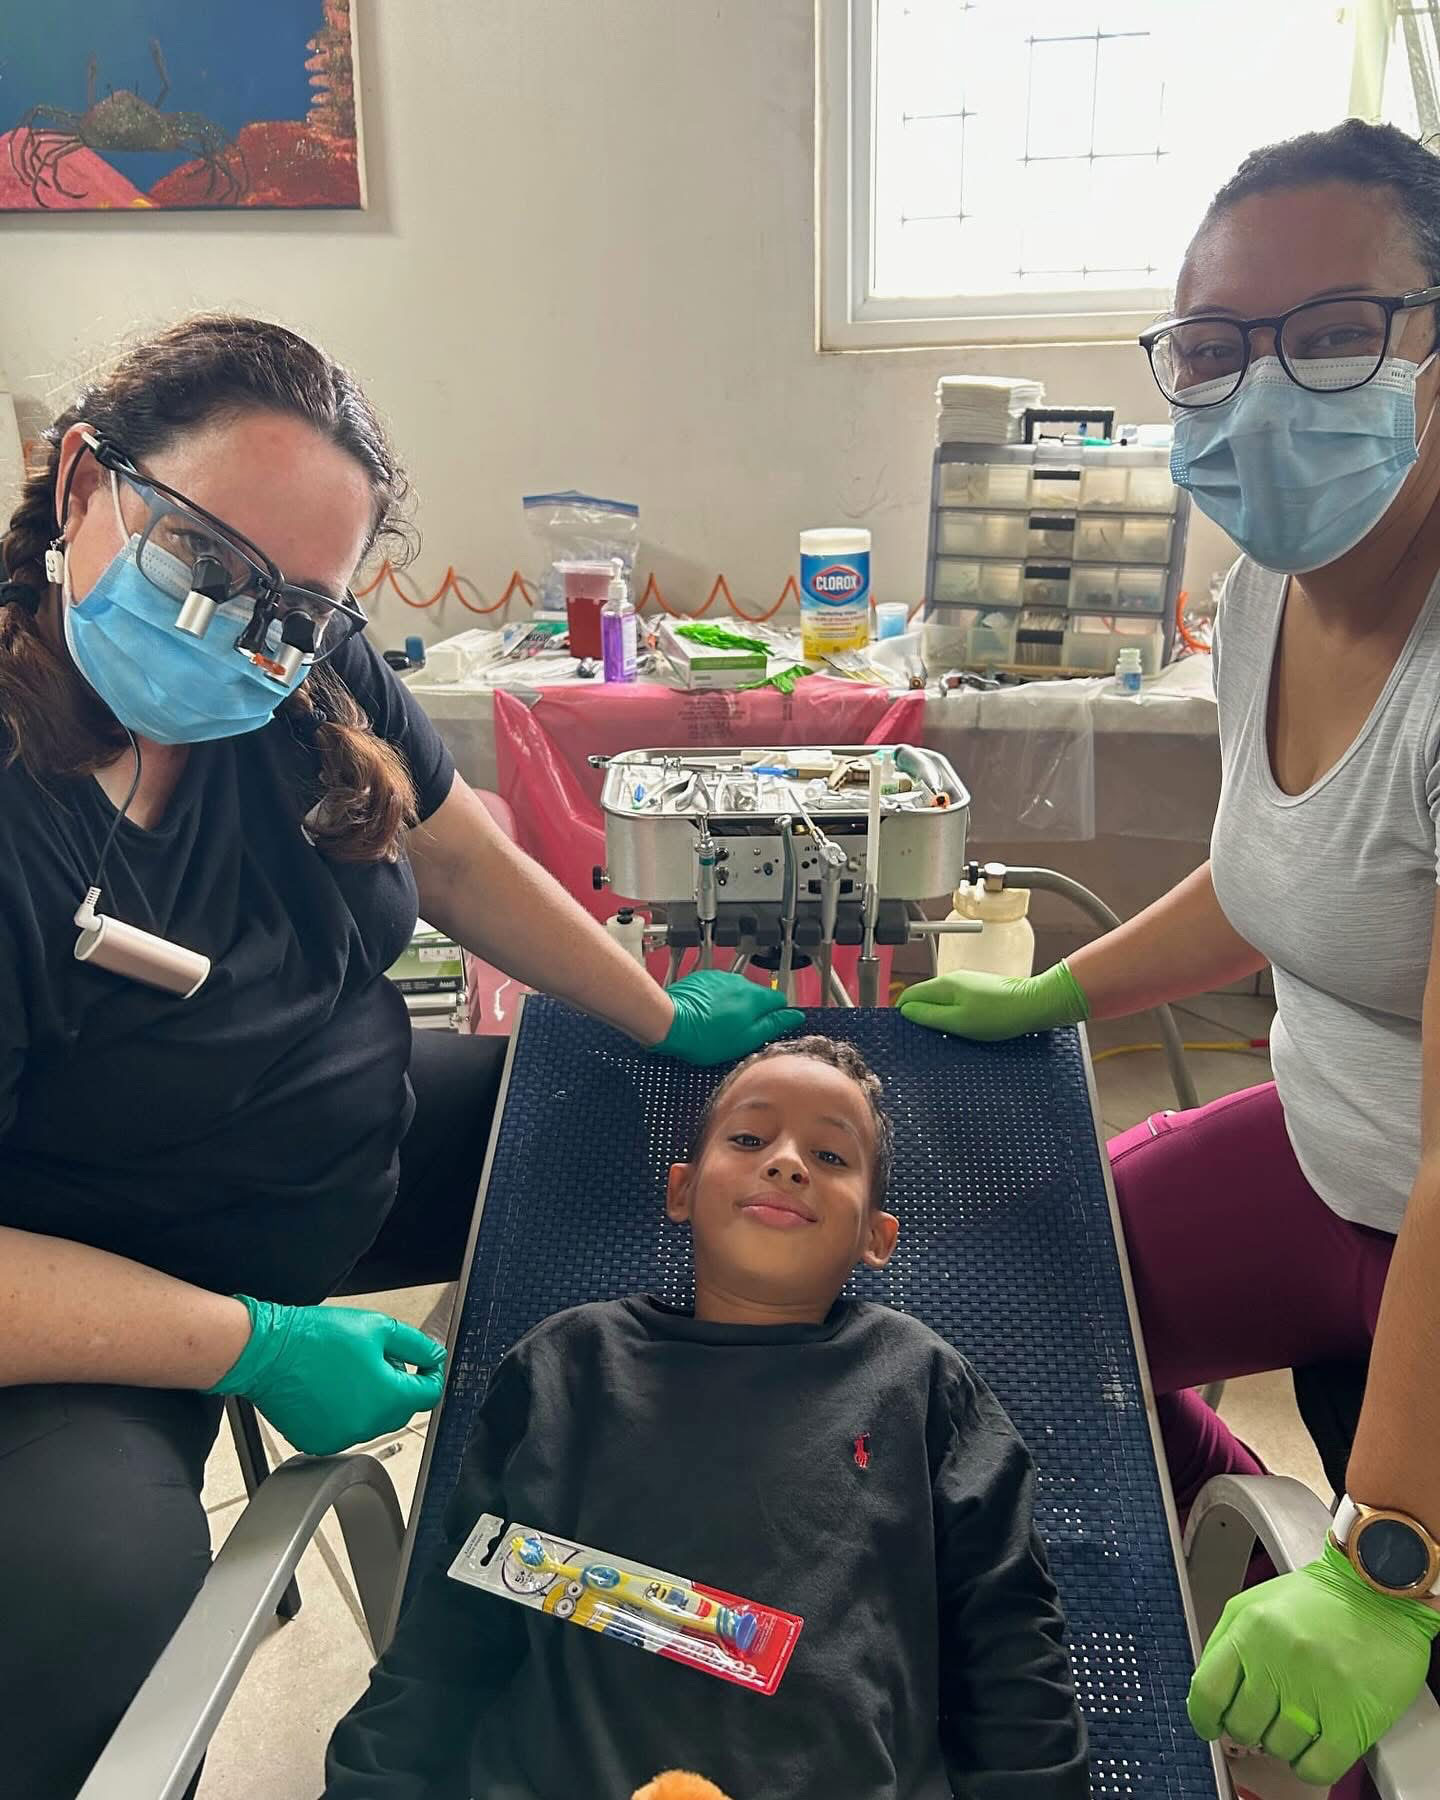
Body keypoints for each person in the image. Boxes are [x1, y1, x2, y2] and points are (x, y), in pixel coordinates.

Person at [0, 314, 802, 1800]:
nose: (242, 629)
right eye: (199, 559)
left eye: (299, 605)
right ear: (75, 484)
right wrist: (252, 1342)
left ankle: (658, 1586)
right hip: (92, 1290)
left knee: (691, 1144)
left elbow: (454, 860)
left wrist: (646, 1008)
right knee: (82, 1611)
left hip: (348, 1142)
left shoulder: (295, 662)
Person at [900, 120, 1440, 1792]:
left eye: (1335, 331)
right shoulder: (1277, 585)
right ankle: (1208, 1546)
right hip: (1325, 1145)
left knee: (1379, 1698)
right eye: (1212, 348)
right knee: (998, 1320)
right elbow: (1272, 879)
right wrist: (1054, 991)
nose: (1260, 389)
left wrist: (1387, 1556)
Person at [322, 1037, 1089, 1799]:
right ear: (682, 1189)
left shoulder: (921, 1385)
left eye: (830, 1157)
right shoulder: (571, 1365)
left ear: (877, 1237)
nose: (787, 1162)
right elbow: (458, 1630)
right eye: (750, 1138)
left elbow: (1011, 1643)